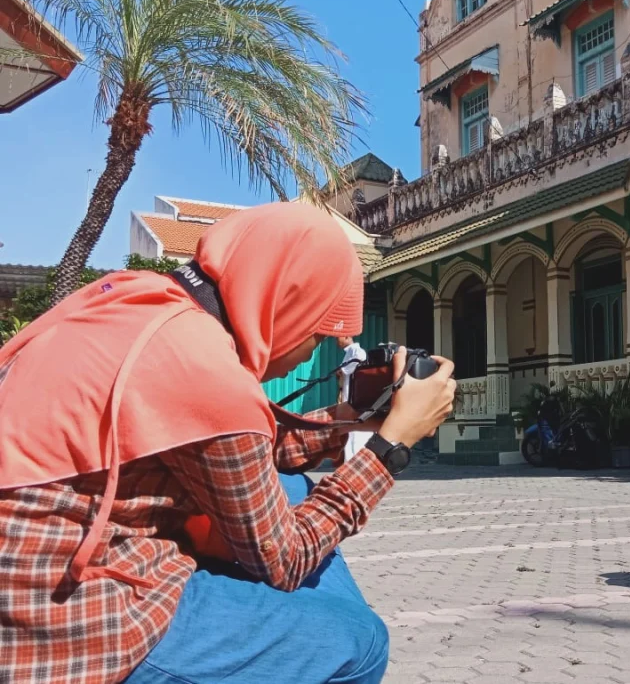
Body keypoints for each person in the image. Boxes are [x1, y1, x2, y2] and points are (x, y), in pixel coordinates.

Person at [0, 204, 456, 684]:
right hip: (62, 619)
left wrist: (348, 418)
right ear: (288, 306)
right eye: (318, 335)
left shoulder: (137, 299)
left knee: (294, 492)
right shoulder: (206, 372)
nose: (312, 354)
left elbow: (227, 452)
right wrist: (390, 449)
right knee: (358, 641)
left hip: (30, 573)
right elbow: (286, 558)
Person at [337, 335, 371, 461]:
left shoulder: (356, 351)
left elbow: (360, 358)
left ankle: (356, 459)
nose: (337, 342)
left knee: (356, 431)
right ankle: (350, 460)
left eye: (338, 338)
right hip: (348, 395)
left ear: (346, 337)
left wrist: (343, 370)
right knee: (350, 431)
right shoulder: (349, 352)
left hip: (354, 397)